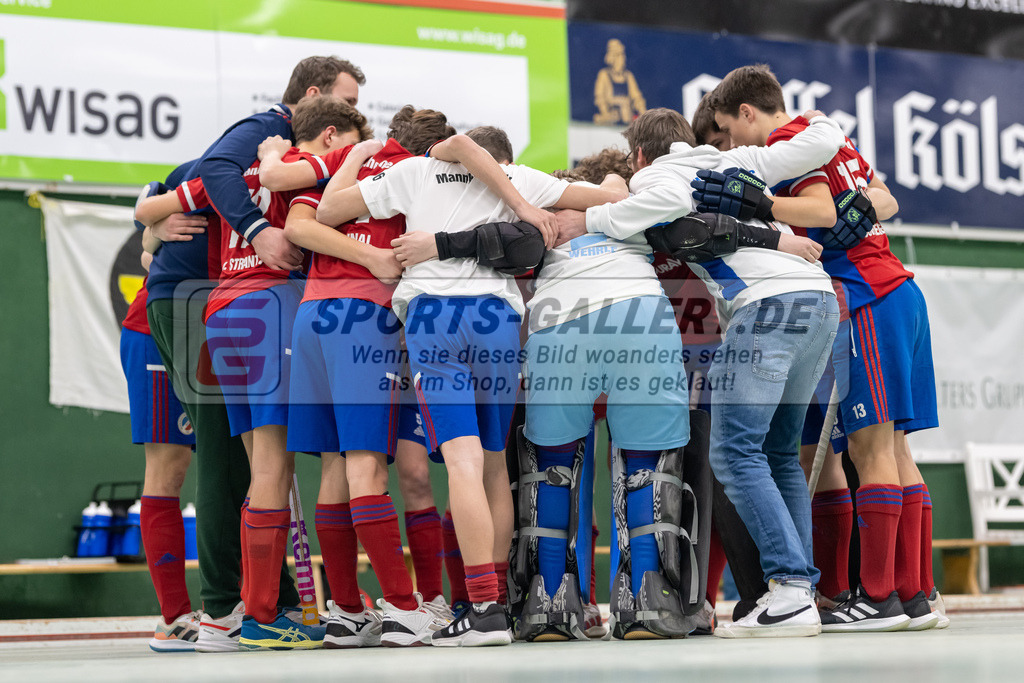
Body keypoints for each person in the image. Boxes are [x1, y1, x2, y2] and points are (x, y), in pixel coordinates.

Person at [311, 124, 623, 646]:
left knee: (463, 462)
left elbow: (326, 211)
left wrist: (357, 152)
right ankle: (493, 603)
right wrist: (611, 179)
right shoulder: (520, 177)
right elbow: (612, 197)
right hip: (497, 320)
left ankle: (480, 608)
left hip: (435, 316)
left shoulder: (414, 170)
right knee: (494, 463)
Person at [554, 106, 844, 638]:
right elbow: (823, 144)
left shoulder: (658, 175)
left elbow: (664, 202)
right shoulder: (739, 159)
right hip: (819, 301)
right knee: (779, 455)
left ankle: (790, 589)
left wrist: (590, 220)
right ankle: (798, 591)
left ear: (639, 156)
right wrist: (817, 118)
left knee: (733, 453)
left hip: (766, 307)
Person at [135, 55, 366, 652]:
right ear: (324, 122)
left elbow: (161, 199)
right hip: (250, 304)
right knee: (255, 464)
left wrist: (150, 227)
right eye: (348, 108)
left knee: (250, 464)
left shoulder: (253, 165)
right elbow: (305, 222)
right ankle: (238, 611)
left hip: (221, 308)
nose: (355, 120)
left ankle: (253, 605)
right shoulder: (301, 161)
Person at [709, 63, 943, 632]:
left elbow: (823, 211)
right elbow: (884, 198)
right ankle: (914, 594)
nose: (733, 146)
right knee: (888, 450)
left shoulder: (788, 145)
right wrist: (861, 207)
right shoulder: (823, 131)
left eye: (730, 131)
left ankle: (879, 598)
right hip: (891, 287)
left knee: (869, 450)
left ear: (748, 113)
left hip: (865, 293)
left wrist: (758, 204)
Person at [274, 107, 470, 647]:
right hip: (365, 318)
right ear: (437, 149)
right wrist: (377, 259)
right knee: (366, 467)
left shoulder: (348, 158)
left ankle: (346, 612)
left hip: (312, 316)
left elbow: (299, 224)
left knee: (335, 468)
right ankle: (405, 609)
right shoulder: (426, 175)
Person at [119, 266, 200, 651]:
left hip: (222, 326)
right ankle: (174, 619)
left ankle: (241, 609)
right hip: (159, 330)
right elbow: (149, 251)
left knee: (246, 467)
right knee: (168, 467)